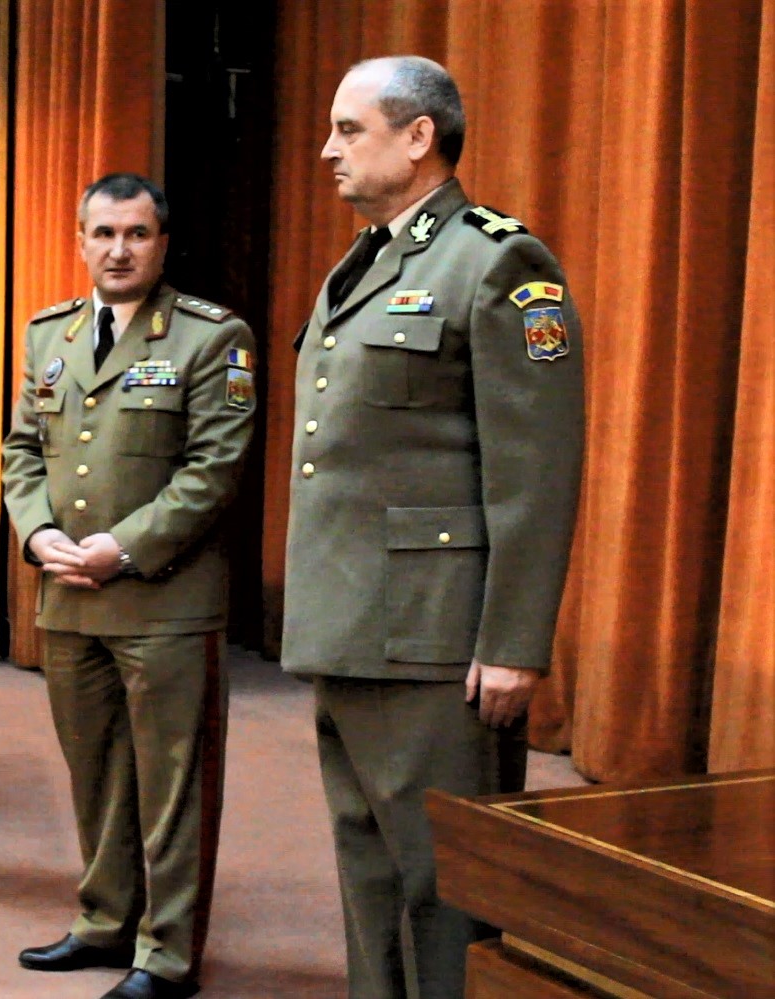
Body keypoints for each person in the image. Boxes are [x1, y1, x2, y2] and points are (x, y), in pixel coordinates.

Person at [282, 57, 585, 999]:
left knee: (443, 886)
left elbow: (535, 471)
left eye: (349, 129)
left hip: (435, 637)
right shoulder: (367, 259)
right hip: (349, 623)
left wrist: (514, 643)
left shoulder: (497, 263)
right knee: (368, 873)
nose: (327, 149)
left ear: (419, 137)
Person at [1, 173, 257, 999]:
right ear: (80, 241)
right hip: (69, 594)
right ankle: (106, 917)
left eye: (137, 234)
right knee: (95, 772)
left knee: (172, 784)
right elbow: (21, 450)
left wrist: (126, 546)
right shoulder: (50, 333)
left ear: (163, 244)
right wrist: (36, 532)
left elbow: (214, 468)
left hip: (164, 599)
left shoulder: (213, 336)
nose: (119, 250)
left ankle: (166, 953)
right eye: (104, 233)